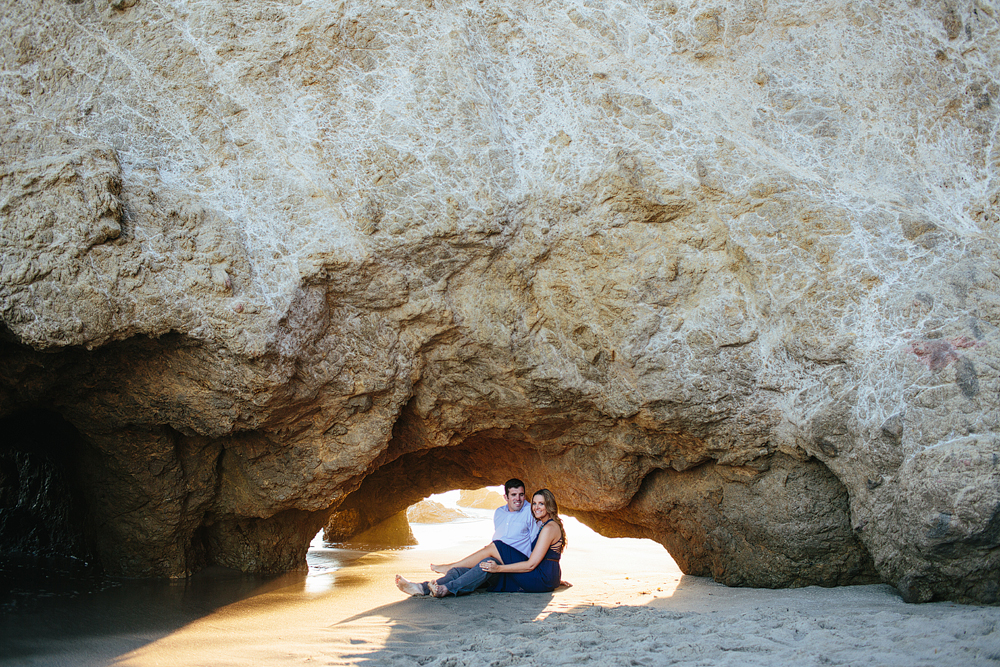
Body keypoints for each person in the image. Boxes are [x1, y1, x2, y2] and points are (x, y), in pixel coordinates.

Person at [396, 487, 566, 597]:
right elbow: (547, 559)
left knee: (496, 546)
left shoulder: (549, 528)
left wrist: (499, 568)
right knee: (486, 564)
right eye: (534, 503)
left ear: (549, 506)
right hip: (542, 576)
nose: (536, 507)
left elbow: (531, 564)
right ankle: (425, 588)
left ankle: (449, 569)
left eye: (541, 504)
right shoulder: (545, 525)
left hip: (539, 578)